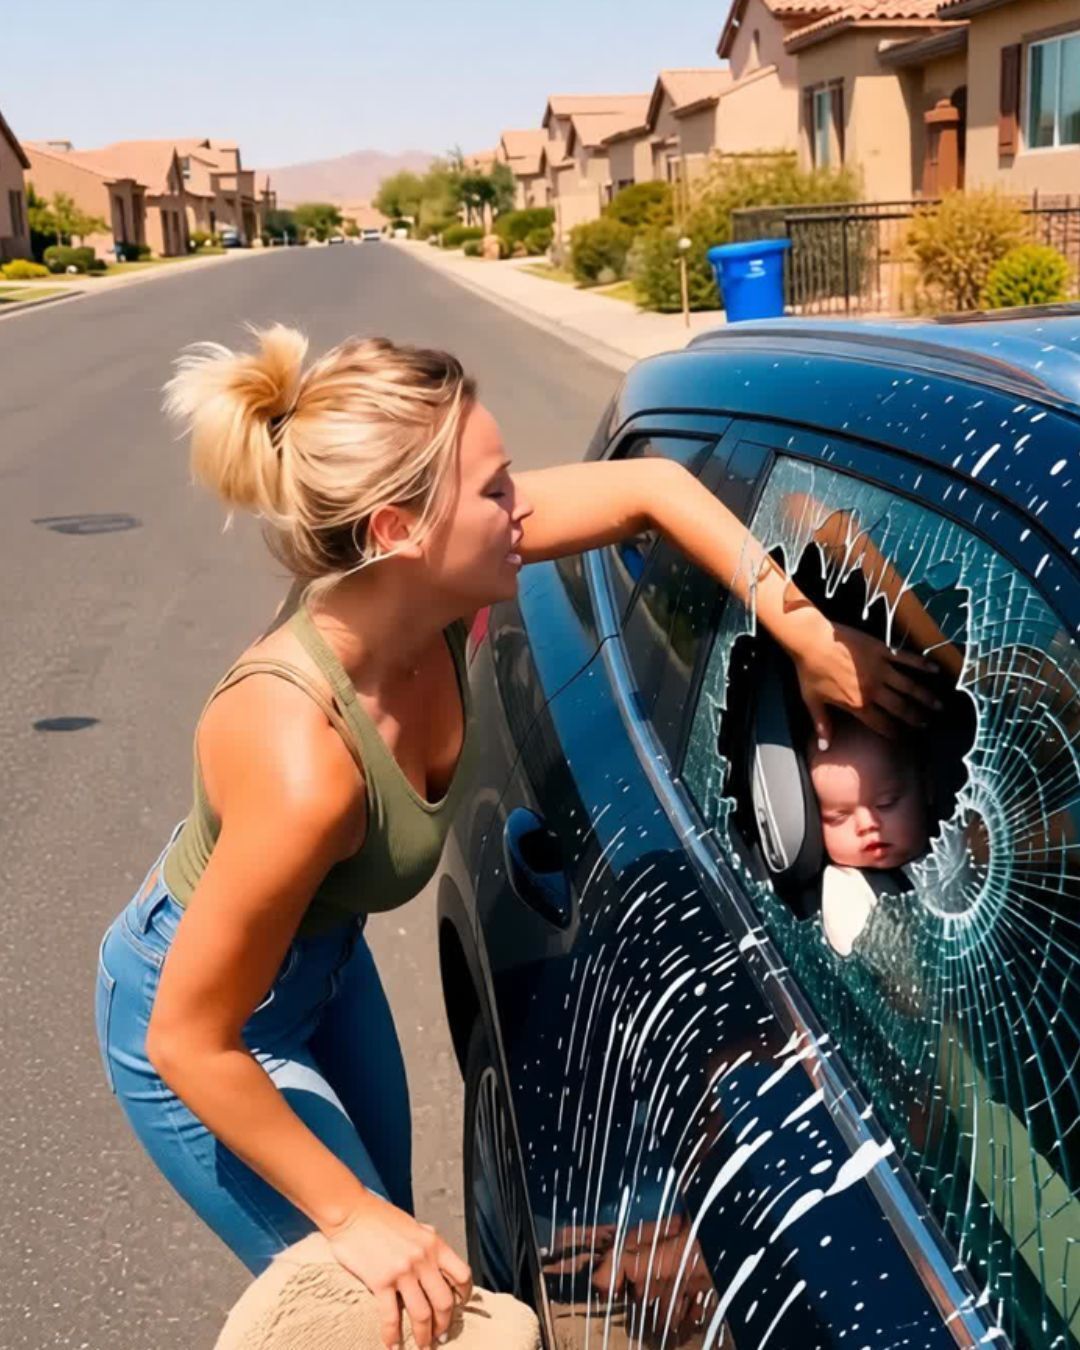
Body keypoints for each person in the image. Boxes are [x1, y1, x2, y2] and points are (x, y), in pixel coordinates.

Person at [94, 325, 941, 1350]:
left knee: (402, 1259)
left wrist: (803, 628)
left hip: (320, 966)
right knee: (396, 1305)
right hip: (204, 1022)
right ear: (398, 528)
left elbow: (649, 491)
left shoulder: (421, 587)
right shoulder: (302, 759)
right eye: (495, 490)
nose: (525, 509)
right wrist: (351, 1218)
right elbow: (188, 1036)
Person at [808, 714, 931, 957]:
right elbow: (884, 965)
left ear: (927, 789)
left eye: (886, 803)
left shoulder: (958, 847)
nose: (867, 825)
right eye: (839, 817)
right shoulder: (844, 888)